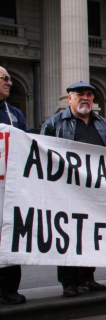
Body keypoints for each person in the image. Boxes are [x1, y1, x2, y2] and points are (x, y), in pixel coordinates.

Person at [41, 81, 106, 297]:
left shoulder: (104, 125)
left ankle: (87, 277)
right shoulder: (54, 124)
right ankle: (69, 282)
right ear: (69, 98)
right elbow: (42, 156)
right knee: (68, 235)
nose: (85, 98)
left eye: (89, 94)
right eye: (79, 94)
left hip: (96, 193)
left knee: (90, 234)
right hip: (66, 191)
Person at [0, 66, 30, 305]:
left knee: (11, 233)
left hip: (10, 186)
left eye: (10, 78)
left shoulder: (16, 114)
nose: (9, 83)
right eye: (4, 79)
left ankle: (9, 288)